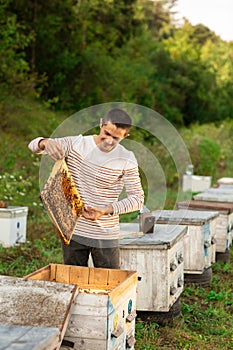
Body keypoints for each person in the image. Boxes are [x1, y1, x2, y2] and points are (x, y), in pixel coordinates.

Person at [28, 108, 144, 269]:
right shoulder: (76, 144)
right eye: (106, 133)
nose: (108, 141)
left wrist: (106, 210)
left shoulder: (127, 158)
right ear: (101, 123)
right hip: (73, 230)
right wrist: (45, 142)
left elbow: (137, 199)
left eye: (116, 138)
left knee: (108, 285)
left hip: (106, 235)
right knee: (73, 282)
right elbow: (33, 145)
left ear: (125, 136)